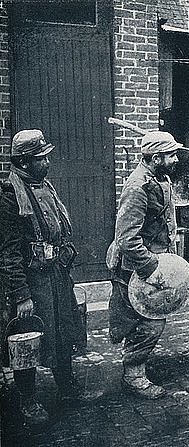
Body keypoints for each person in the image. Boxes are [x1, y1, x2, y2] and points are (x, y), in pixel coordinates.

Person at [0, 130, 86, 426]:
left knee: (64, 329)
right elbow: (8, 253)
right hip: (32, 280)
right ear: (24, 162)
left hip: (56, 274)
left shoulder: (44, 186)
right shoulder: (9, 196)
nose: (47, 162)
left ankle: (67, 386)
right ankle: (28, 399)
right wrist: (21, 295)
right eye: (40, 158)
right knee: (28, 337)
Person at [106, 131, 181, 399]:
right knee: (148, 323)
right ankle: (133, 375)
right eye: (171, 155)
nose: (175, 159)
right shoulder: (137, 187)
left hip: (153, 260)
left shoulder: (161, 179)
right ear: (156, 158)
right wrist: (151, 268)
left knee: (147, 319)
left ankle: (135, 365)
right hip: (135, 267)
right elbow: (126, 238)